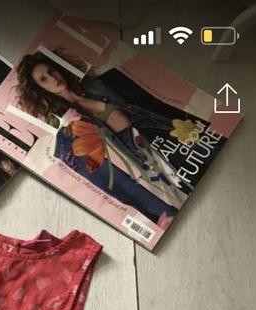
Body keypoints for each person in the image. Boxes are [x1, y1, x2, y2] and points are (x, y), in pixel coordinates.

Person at [16, 50, 196, 207]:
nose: (53, 78)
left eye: (51, 71)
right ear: (39, 89)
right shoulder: (68, 122)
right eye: (44, 79)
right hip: (144, 162)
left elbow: (148, 102)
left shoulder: (98, 84)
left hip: (163, 134)